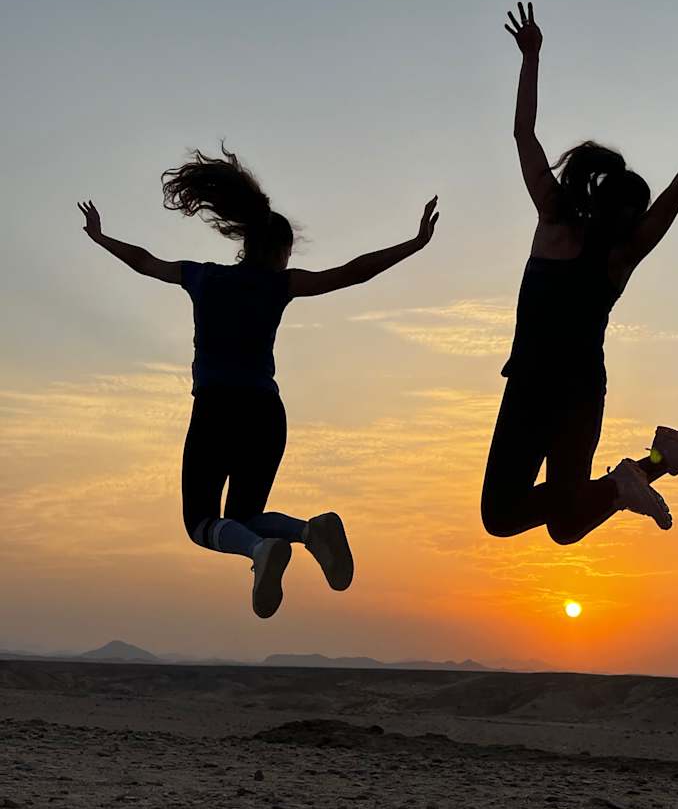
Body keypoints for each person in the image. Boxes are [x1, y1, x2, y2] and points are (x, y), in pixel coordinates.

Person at [77, 148, 438, 617]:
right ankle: (308, 531)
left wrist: (100, 238)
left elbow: (145, 261)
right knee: (246, 516)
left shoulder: (202, 278)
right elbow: (352, 273)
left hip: (216, 410)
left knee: (202, 523)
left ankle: (260, 551)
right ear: (280, 251)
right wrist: (414, 244)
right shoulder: (280, 286)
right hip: (266, 414)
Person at [481, 2, 678, 546]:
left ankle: (644, 470)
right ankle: (657, 460)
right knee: (561, 523)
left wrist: (531, 57)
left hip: (536, 388)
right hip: (576, 391)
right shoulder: (622, 254)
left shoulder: (555, 222)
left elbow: (524, 135)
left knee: (508, 518)